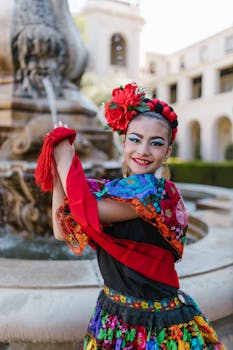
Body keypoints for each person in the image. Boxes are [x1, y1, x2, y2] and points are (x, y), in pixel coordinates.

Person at [35, 82, 226, 349]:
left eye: (156, 143)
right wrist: (58, 168)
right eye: (135, 139)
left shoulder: (157, 195)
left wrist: (67, 156)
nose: (143, 150)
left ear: (168, 152)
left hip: (155, 325)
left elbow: (86, 213)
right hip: (113, 315)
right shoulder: (112, 191)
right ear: (124, 143)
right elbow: (60, 229)